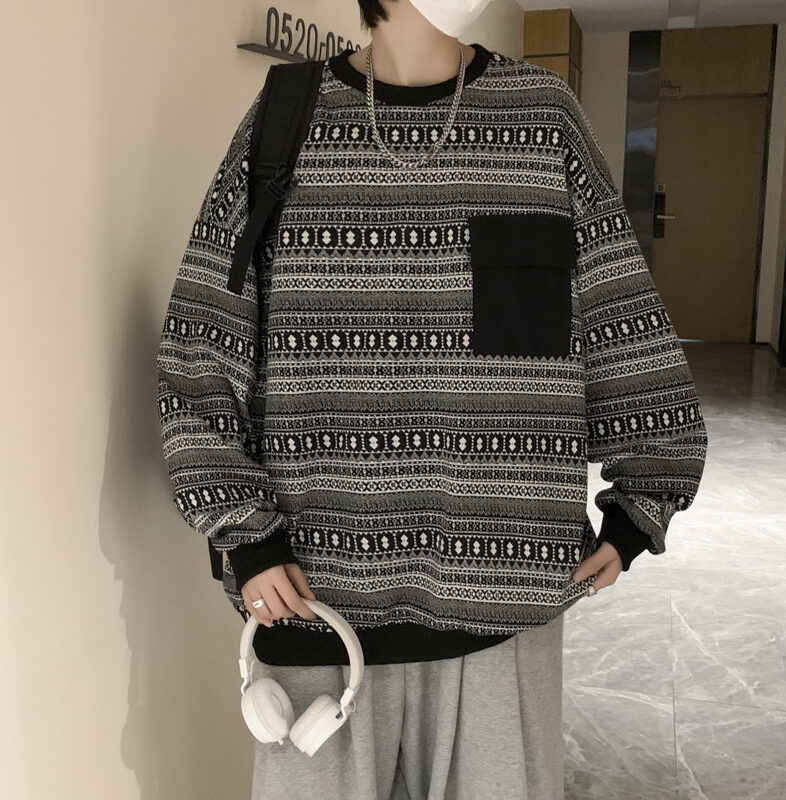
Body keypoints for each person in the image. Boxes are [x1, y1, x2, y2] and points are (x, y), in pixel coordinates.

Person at [155, 1, 709, 797]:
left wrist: (639, 510)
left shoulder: (541, 116)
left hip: (500, 604)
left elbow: (617, 310)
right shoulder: (285, 119)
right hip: (313, 601)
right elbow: (202, 340)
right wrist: (245, 536)